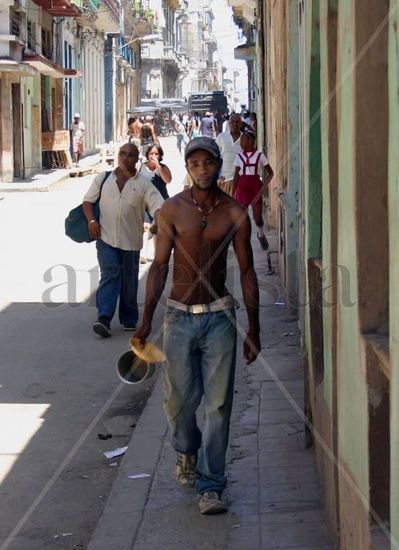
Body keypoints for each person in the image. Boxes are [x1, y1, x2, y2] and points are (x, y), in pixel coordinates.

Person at [135, 136, 260, 515]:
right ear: (187, 168)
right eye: (195, 164)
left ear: (219, 165)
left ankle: (211, 486)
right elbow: (158, 268)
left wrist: (254, 329)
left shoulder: (235, 213)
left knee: (219, 406)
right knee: (178, 404)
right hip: (179, 318)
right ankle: (186, 451)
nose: (202, 169)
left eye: (209, 163)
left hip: (220, 316)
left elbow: (248, 271)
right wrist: (144, 322)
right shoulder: (172, 211)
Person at [82, 143, 164, 337]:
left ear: (137, 159)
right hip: (105, 237)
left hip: (131, 240)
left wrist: (159, 218)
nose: (126, 157)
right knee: (110, 273)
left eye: (131, 155)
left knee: (129, 281)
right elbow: (87, 201)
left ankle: (128, 318)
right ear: (118, 156)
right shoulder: (103, 179)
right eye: (123, 154)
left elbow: (157, 205)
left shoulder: (144, 184)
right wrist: (92, 221)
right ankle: (104, 317)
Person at [232, 129, 274, 250]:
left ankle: (260, 234)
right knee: (241, 217)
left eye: (243, 140)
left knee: (258, 218)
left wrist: (264, 187)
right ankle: (243, 240)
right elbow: (236, 176)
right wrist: (232, 193)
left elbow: (271, 173)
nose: (241, 142)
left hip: (255, 187)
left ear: (250, 142)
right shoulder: (239, 156)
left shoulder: (259, 156)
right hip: (242, 187)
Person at [215, 113, 243, 196]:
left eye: (237, 122)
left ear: (241, 124)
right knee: (223, 207)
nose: (235, 124)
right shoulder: (221, 137)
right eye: (232, 121)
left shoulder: (245, 138)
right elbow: (215, 157)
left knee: (237, 207)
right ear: (229, 123)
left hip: (239, 180)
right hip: (224, 179)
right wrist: (217, 176)